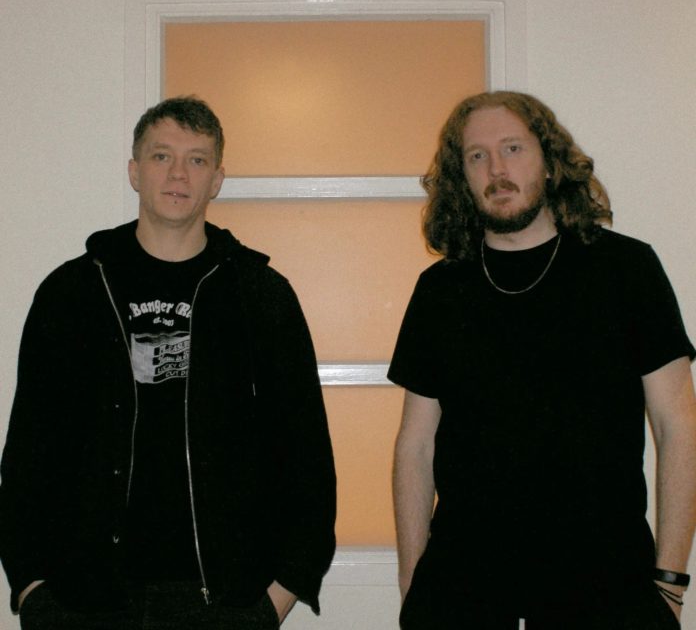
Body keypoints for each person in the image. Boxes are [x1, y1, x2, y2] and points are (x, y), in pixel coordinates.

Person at [0, 96, 336, 629]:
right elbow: (28, 449)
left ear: (216, 179)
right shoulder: (72, 292)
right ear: (135, 171)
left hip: (225, 601)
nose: (179, 173)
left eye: (197, 160)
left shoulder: (260, 295)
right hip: (84, 598)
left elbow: (306, 454)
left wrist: (279, 595)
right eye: (162, 156)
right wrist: (30, 587)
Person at [390, 91, 696, 629]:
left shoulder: (626, 270)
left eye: (513, 148)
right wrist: (413, 581)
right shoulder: (441, 289)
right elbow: (416, 446)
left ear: (551, 162)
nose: (497, 169)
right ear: (462, 177)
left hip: (606, 585)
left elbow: (679, 426)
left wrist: (670, 580)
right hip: (463, 586)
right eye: (477, 156)